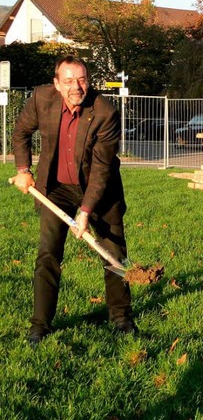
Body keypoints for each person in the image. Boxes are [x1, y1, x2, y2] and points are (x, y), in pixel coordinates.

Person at [12, 55, 135, 346]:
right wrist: (22, 170)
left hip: (99, 190)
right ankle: (40, 325)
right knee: (48, 255)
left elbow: (102, 169)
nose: (75, 87)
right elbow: (20, 133)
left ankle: (121, 316)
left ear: (88, 81)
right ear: (56, 83)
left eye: (81, 80)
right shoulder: (42, 99)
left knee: (113, 253)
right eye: (68, 81)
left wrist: (85, 211)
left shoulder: (104, 111)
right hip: (54, 189)